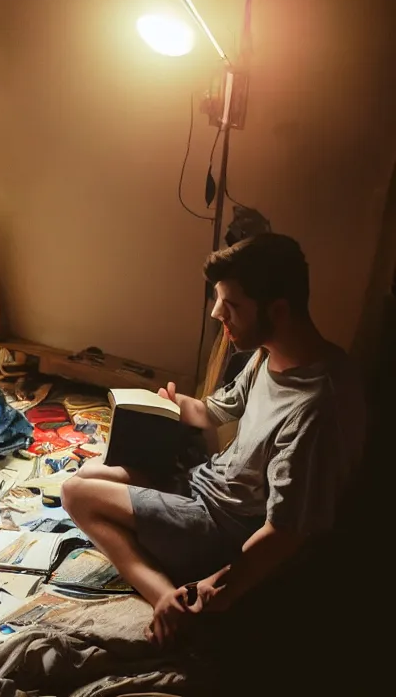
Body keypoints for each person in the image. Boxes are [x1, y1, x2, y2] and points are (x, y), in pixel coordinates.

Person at [61, 234, 365, 645]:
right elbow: (210, 412)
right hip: (201, 481)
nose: (218, 313)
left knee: (77, 495)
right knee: (87, 473)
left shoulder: (318, 407)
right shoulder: (267, 352)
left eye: (232, 305)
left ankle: (162, 594)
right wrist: (169, 406)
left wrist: (219, 586)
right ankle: (150, 539)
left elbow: (286, 532)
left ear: (278, 310)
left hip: (219, 523)